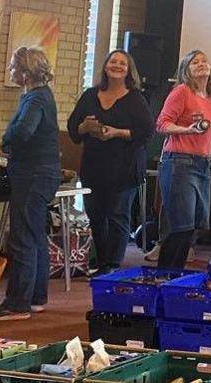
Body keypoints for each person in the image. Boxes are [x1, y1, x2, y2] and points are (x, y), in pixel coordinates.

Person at [154, 49, 211, 270]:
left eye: (204, 61)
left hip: (201, 164)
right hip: (179, 161)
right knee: (181, 224)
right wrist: (186, 130)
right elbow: (162, 124)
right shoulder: (181, 92)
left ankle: (173, 274)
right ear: (186, 70)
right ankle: (166, 273)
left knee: (194, 224)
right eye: (195, 62)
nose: (201, 64)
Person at [0, 47, 61, 322]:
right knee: (35, 235)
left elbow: (23, 131)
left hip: (33, 174)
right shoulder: (42, 96)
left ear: (26, 73)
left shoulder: (34, 100)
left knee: (22, 238)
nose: (10, 72)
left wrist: (6, 140)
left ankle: (17, 304)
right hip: (43, 173)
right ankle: (36, 297)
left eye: (13, 68)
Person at [66, 50, 153, 276]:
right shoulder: (90, 95)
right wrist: (84, 128)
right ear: (105, 67)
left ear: (128, 70)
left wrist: (117, 132)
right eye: (113, 62)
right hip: (94, 165)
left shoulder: (135, 99)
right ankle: (100, 260)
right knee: (95, 214)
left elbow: (145, 132)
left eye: (122, 63)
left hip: (124, 167)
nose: (117, 66)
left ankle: (112, 264)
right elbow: (73, 128)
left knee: (117, 215)